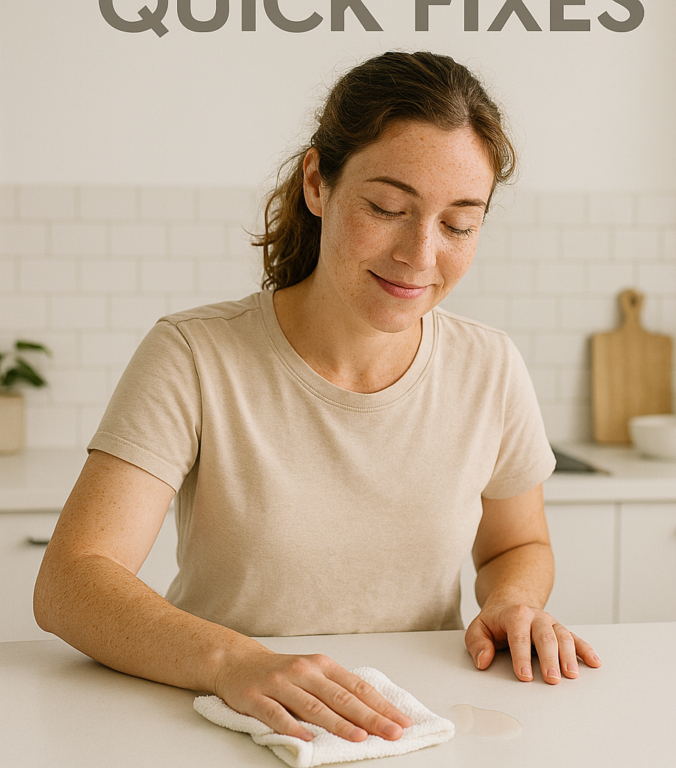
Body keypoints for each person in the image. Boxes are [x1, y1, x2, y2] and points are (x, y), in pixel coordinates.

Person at [34, 50, 600, 745]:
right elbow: (71, 582)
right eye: (388, 207)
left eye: (458, 223)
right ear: (317, 183)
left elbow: (519, 543)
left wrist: (513, 601)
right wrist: (235, 661)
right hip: (226, 723)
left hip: (414, 727)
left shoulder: (490, 365)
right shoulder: (194, 354)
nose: (421, 254)